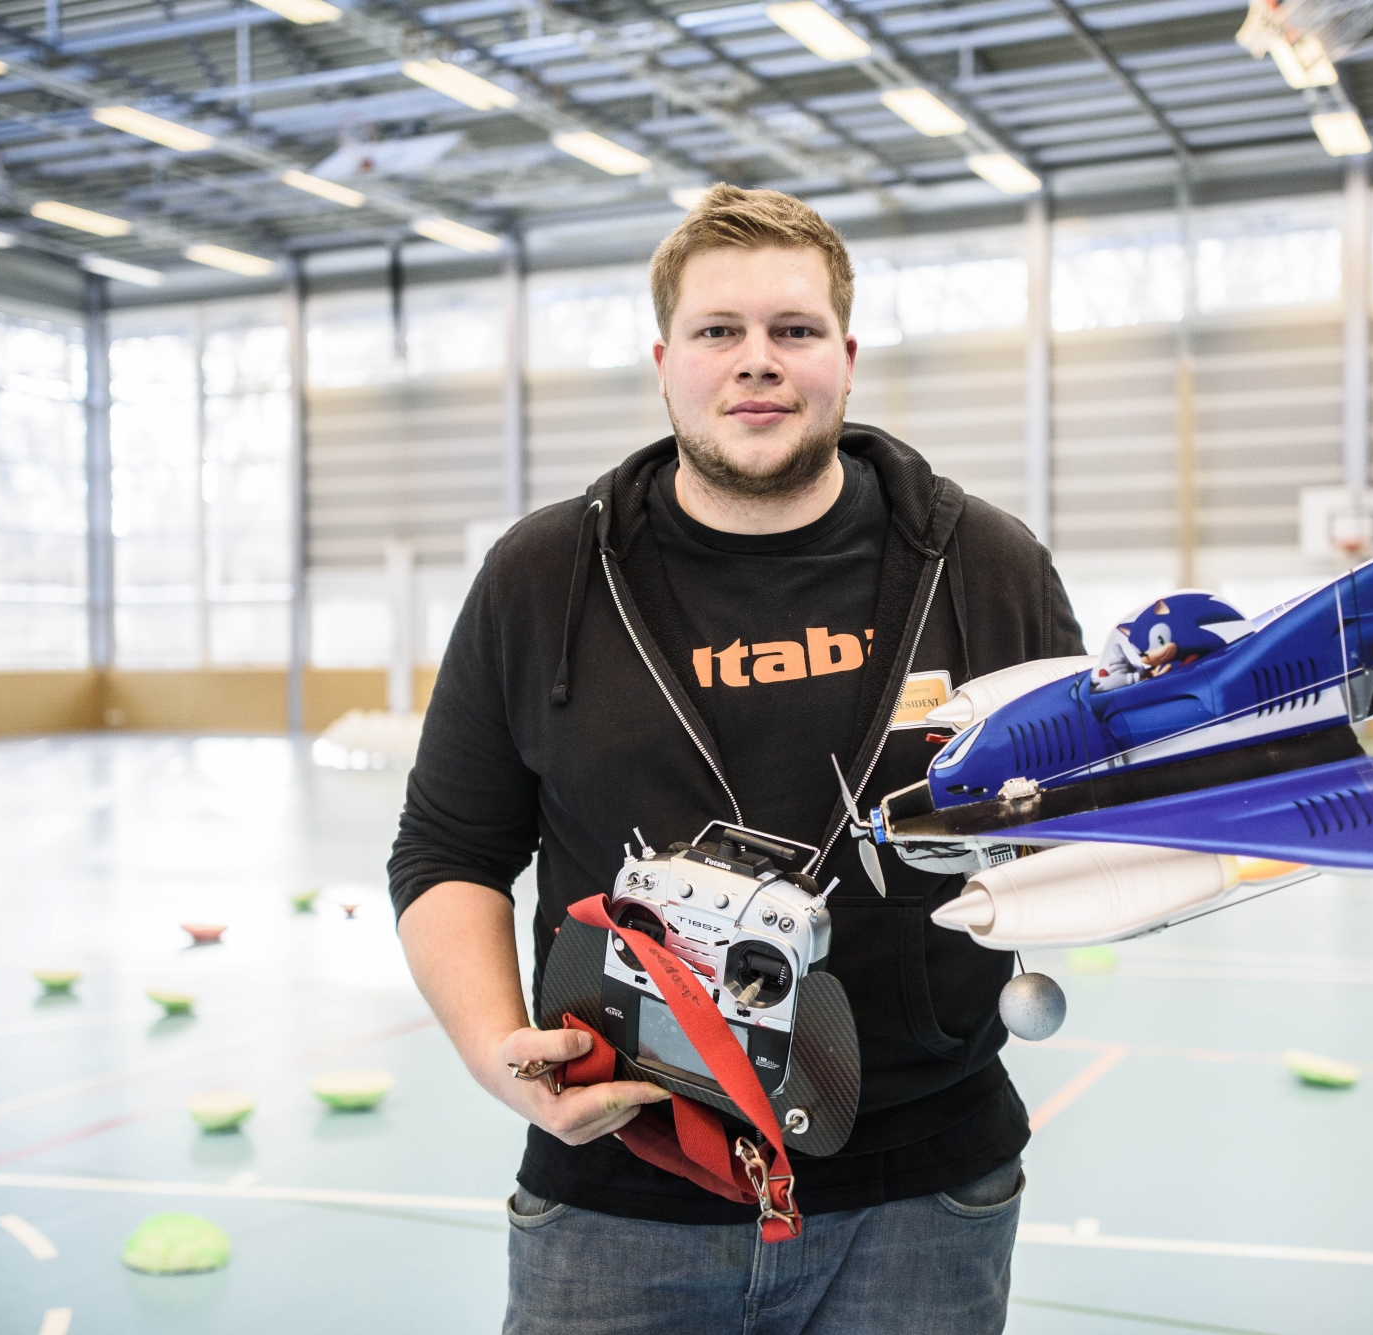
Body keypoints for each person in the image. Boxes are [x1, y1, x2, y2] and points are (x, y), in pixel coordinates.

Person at [389, 184, 1084, 1334]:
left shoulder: (985, 565)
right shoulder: (542, 577)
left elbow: (1064, 809)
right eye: (719, 332)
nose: (755, 362)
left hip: (922, 1195)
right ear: (665, 360)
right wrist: (491, 1052)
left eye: (792, 331)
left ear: (844, 359)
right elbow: (448, 848)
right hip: (622, 1189)